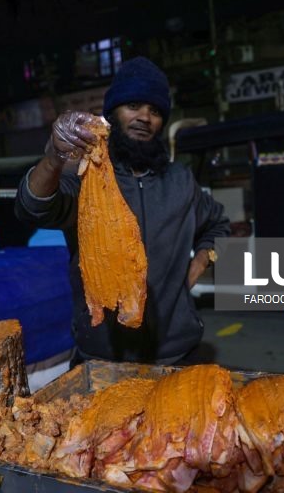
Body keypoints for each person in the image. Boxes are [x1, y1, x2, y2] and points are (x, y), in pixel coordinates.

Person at [15, 57, 230, 366]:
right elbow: (31, 208)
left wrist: (201, 261)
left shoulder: (180, 180)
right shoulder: (88, 177)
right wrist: (53, 158)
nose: (145, 117)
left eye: (155, 111)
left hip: (176, 353)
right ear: (112, 113)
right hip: (104, 356)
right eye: (133, 106)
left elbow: (219, 224)